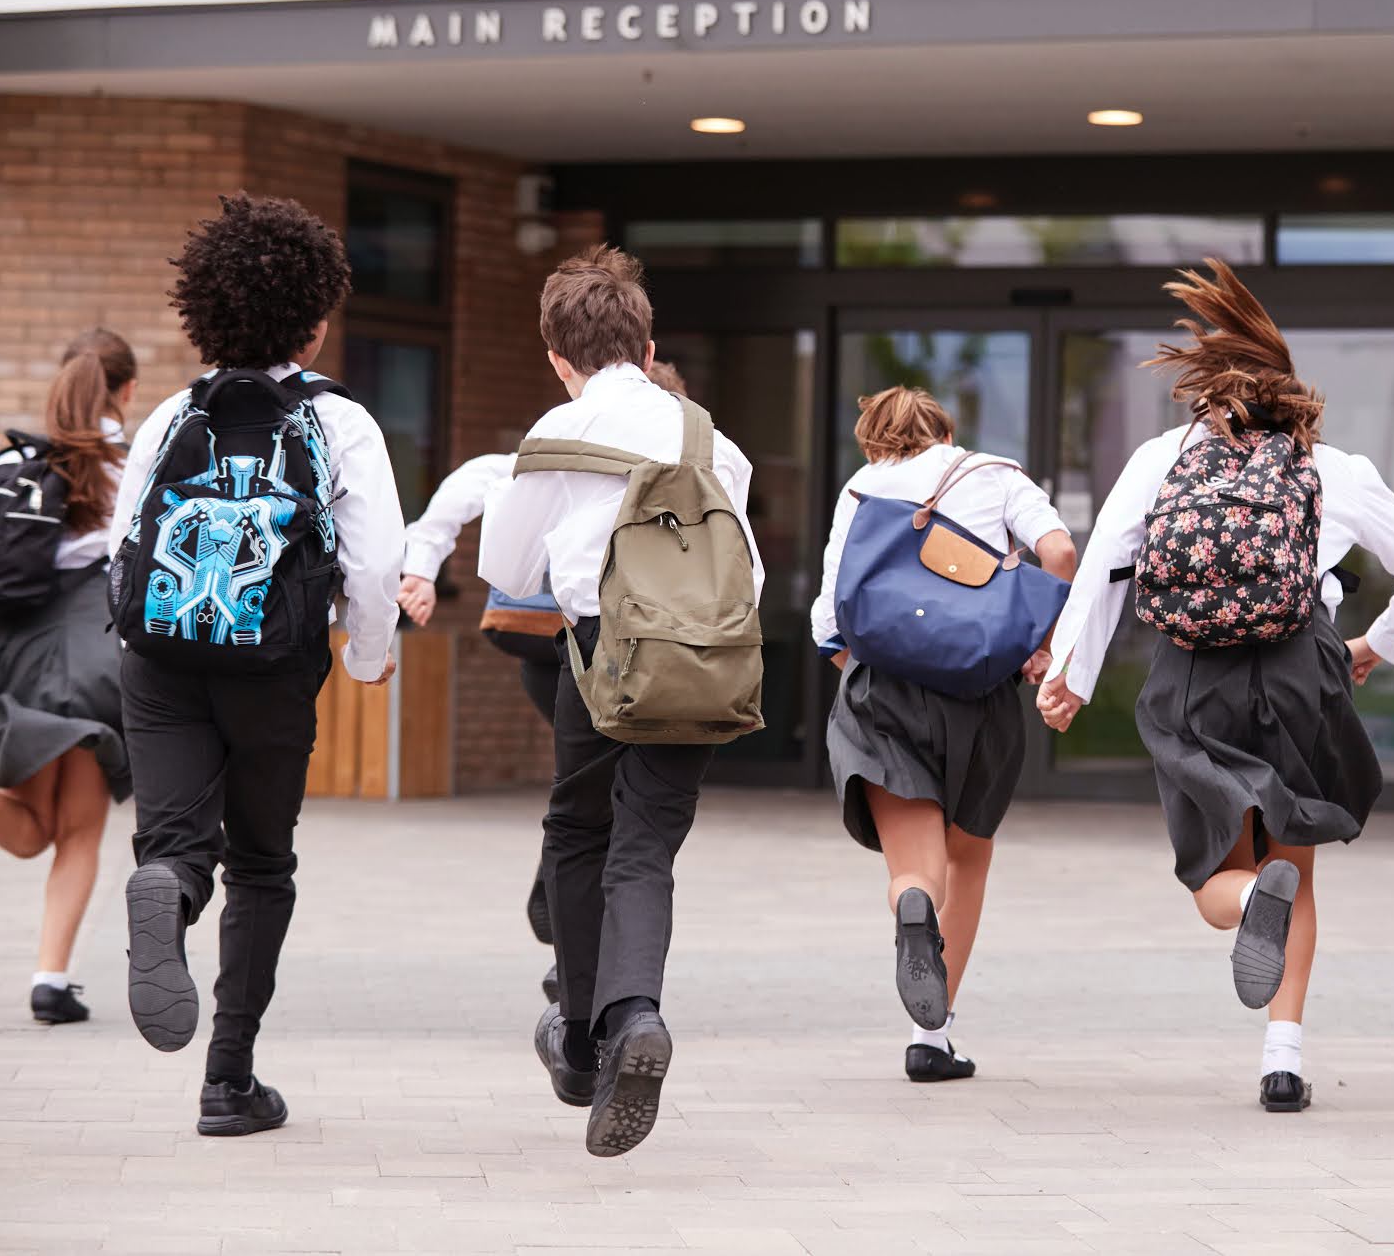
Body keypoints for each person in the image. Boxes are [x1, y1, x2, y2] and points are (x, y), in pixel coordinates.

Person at [1037, 259, 1394, 1113]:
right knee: (1293, 861)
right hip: (1303, 666)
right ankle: (1285, 1062)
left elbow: (1107, 569)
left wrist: (1070, 674)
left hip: (1195, 678)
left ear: (1207, 389)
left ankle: (1243, 900)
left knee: (1213, 883)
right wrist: (1377, 644)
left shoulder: (1164, 459)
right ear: (1288, 388)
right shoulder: (1334, 467)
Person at [112, 194, 404, 1137]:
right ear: (313, 325)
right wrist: (367, 659)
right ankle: (228, 1082)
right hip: (272, 665)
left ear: (207, 314)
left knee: (175, 839)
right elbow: (375, 561)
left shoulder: (169, 416)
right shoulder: (340, 423)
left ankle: (170, 886)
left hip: (158, 660)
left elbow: (126, 546)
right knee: (264, 863)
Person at [480, 247, 762, 1157]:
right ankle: (635, 1013)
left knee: (578, 830)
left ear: (558, 358)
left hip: (601, 653)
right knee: (645, 848)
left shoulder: (557, 433)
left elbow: (510, 572)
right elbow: (744, 561)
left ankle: (577, 1041)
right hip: (701, 659)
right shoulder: (713, 440)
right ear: (648, 346)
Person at [399, 361, 693, 1007]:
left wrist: (421, 571)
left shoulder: (547, 453)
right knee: (611, 816)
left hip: (547, 644)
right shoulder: (687, 463)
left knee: (588, 808)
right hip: (598, 646)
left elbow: (458, 520)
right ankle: (582, 961)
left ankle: (568, 931)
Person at [811, 386, 1077, 1082]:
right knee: (969, 858)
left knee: (915, 867)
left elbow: (828, 610)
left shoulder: (861, 489)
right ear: (945, 432)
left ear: (874, 438)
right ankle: (932, 1037)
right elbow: (1060, 550)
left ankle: (911, 906)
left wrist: (864, 664)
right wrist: (1040, 645)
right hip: (978, 690)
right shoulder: (996, 474)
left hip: (883, 691)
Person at [0, 329, 139, 1024]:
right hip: (92, 662)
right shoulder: (136, 465)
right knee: (76, 832)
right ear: (128, 389)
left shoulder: (19, 460)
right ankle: (50, 981)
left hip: (11, 655)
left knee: (29, 824)